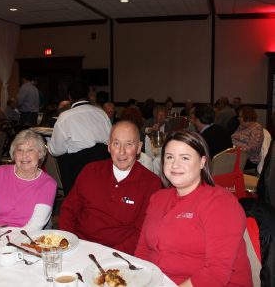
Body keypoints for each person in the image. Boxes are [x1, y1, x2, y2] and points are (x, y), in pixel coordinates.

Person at [135, 130, 252, 286]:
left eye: (185, 158)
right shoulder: (158, 198)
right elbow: (143, 250)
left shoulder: (220, 203)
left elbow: (215, 274)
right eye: (169, 157)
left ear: (203, 162)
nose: (175, 165)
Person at [58, 121, 161, 254]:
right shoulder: (90, 171)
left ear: (139, 147)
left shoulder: (151, 184)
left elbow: (142, 232)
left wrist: (111, 255)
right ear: (108, 146)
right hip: (79, 246)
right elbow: (68, 210)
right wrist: (70, 242)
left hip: (119, 255)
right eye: (116, 143)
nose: (122, 152)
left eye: (129, 144)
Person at [0, 130, 57, 231]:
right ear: (13, 155)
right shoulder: (0, 173)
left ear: (40, 154)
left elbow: (35, 226)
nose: (24, 155)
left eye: (30, 150)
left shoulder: (48, 184)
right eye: (19, 150)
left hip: (24, 238)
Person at [48, 79, 111, 196]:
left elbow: (56, 150)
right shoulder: (101, 113)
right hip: (103, 164)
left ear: (70, 97)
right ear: (88, 95)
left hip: (78, 168)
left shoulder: (65, 117)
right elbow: (111, 140)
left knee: (63, 157)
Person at [232, 106, 264, 170]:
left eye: (240, 116)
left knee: (224, 164)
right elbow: (233, 137)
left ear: (247, 117)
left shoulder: (256, 128)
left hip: (249, 158)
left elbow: (253, 148)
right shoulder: (242, 126)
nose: (238, 118)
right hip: (238, 155)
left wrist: (236, 149)